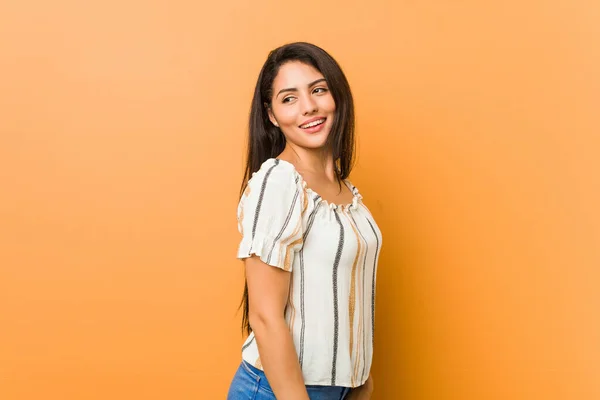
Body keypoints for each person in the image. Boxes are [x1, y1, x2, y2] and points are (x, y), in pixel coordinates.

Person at [227, 42, 383, 400]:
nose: (308, 107)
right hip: (279, 391)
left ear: (336, 95)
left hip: (339, 390)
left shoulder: (346, 194)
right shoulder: (279, 181)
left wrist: (359, 381)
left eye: (318, 90)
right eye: (289, 98)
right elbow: (265, 318)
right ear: (271, 115)